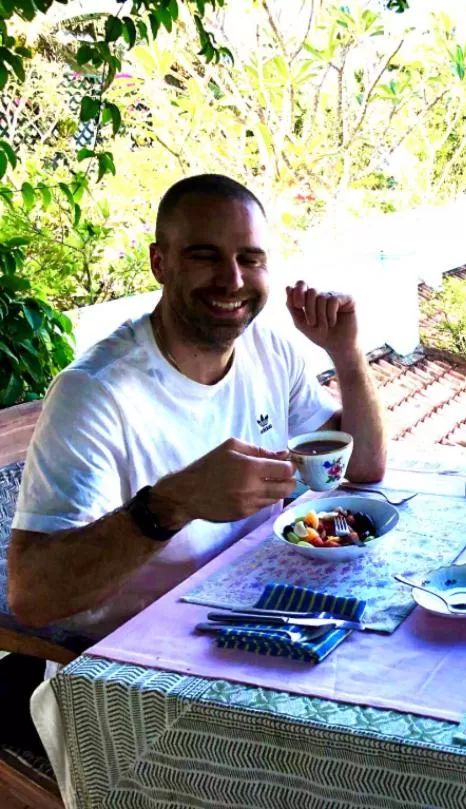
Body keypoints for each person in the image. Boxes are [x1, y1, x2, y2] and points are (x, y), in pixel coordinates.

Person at [7, 174, 386, 640]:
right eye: (204, 256)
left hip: (255, 619)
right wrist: (171, 504)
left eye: (250, 258)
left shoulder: (270, 350)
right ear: (159, 263)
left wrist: (346, 354)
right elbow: (33, 597)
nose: (232, 279)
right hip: (137, 660)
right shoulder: (95, 394)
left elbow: (363, 467)